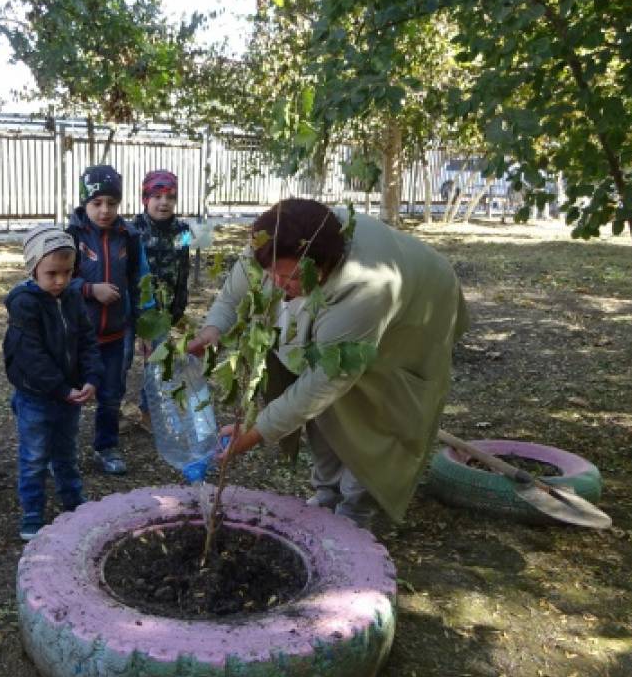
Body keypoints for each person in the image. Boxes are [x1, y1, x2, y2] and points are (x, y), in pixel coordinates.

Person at [188, 198, 469, 531]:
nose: (277, 285)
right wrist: (213, 328)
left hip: (418, 313)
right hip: (348, 319)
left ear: (321, 267)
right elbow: (236, 290)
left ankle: (357, 512)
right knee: (324, 413)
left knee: (376, 420)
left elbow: (324, 382)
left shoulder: (365, 287)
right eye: (272, 275)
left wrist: (254, 433)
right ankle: (327, 495)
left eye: (289, 278)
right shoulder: (274, 242)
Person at [4, 227, 103, 541]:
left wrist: (91, 378)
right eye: (52, 273)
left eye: (67, 272)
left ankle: (74, 502)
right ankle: (32, 513)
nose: (60, 280)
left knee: (66, 452)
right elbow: (31, 356)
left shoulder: (72, 296)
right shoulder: (24, 304)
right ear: (33, 268)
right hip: (37, 396)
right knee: (34, 457)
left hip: (68, 395)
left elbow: (87, 339)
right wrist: (61, 388)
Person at [65, 164, 147, 475]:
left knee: (111, 394)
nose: (105, 210)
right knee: (72, 393)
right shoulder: (71, 235)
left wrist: (141, 327)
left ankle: (106, 446)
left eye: (112, 203)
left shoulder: (129, 236)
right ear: (85, 202)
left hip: (116, 333)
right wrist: (89, 289)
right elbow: (54, 283)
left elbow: (140, 282)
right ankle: (63, 450)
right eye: (97, 203)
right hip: (77, 335)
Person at [130, 169, 192, 427]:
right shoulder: (132, 231)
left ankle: (148, 412)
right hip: (135, 308)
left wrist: (179, 306)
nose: (163, 202)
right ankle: (111, 411)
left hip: (163, 312)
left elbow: (183, 267)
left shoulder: (183, 230)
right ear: (145, 199)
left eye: (170, 197)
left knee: (157, 361)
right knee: (122, 361)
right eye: (156, 196)